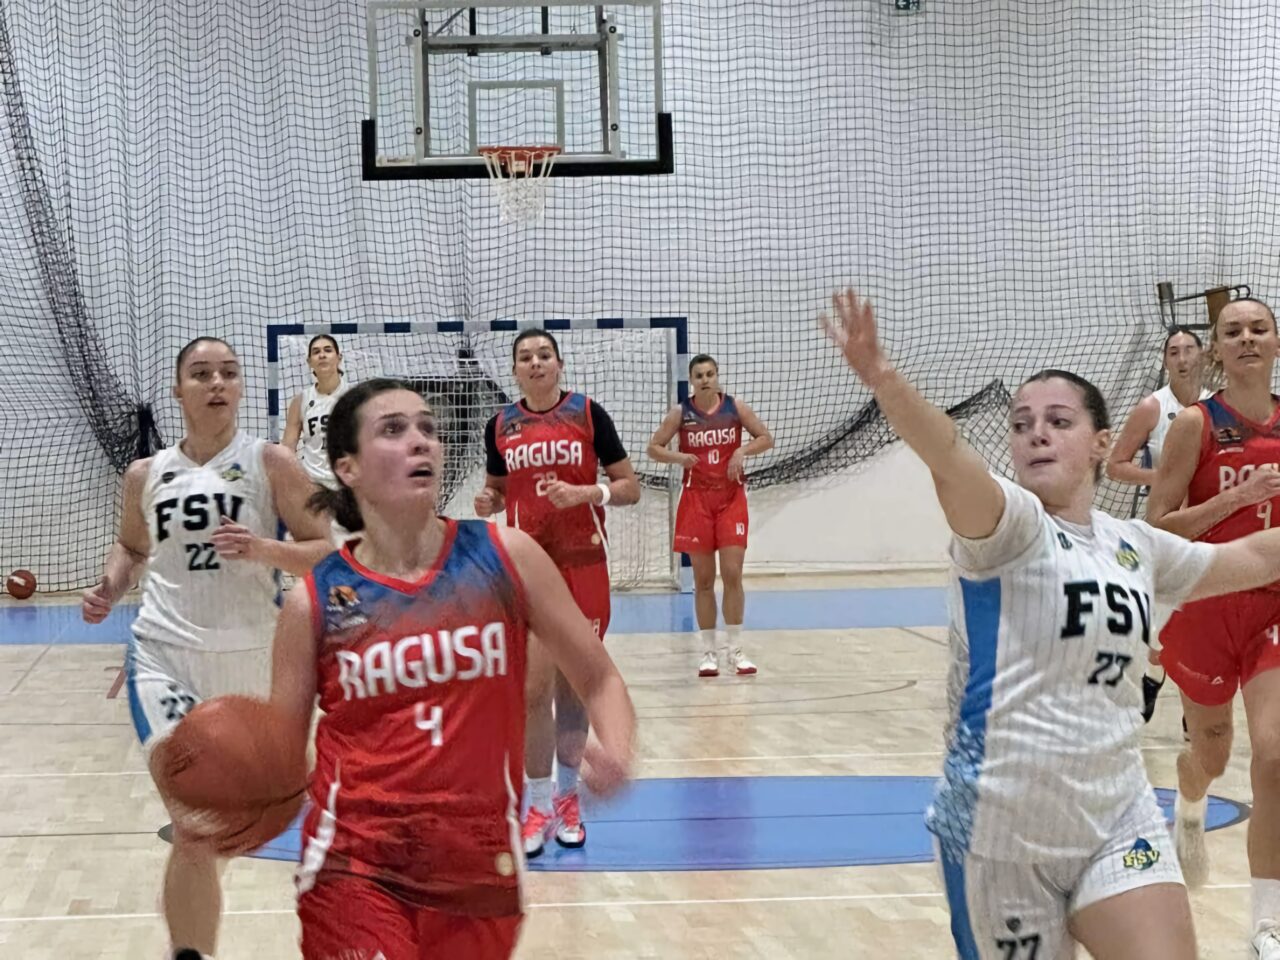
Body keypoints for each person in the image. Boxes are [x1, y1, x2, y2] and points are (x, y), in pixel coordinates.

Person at [823, 287, 1280, 960]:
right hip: (1000, 831)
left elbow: (1252, 557)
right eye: (1021, 423)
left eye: (1059, 421)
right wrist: (885, 380)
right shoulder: (1007, 526)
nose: (1036, 432)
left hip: (1117, 817)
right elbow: (947, 453)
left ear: (1101, 444)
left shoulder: (1134, 545)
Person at [266, 378, 636, 960]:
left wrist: (617, 747)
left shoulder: (506, 556)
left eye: (427, 428)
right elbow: (279, 758)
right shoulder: (312, 603)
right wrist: (230, 795)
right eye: (393, 429)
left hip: (478, 866)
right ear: (347, 467)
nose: (420, 441)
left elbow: (599, 676)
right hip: (356, 863)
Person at [80, 337, 333, 960]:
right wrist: (111, 584)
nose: (216, 382)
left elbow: (328, 551)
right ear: (178, 390)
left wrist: (264, 549)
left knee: (263, 814)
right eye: (200, 374)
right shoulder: (145, 474)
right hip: (164, 657)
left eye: (228, 372)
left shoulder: (271, 463)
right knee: (193, 825)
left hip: (254, 662)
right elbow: (132, 548)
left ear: (240, 387)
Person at [474, 328, 640, 858]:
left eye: (544, 354)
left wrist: (587, 492)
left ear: (559, 363)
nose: (535, 362)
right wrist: (488, 501)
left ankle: (568, 801)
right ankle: (538, 804)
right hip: (529, 570)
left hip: (583, 566)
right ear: (515, 370)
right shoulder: (500, 425)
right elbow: (498, 490)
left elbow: (630, 487)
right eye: (525, 357)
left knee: (573, 689)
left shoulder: (588, 414)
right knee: (532, 691)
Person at [1147, 297, 1280, 955]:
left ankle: (1266, 925)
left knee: (1275, 755)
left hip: (1272, 606)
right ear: (1217, 350)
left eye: (1259, 328)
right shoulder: (1195, 425)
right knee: (1213, 754)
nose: (1247, 338)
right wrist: (1236, 498)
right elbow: (1156, 527)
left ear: (1275, 342)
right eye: (1233, 331)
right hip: (1204, 604)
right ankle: (1191, 800)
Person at [646, 354, 773, 677]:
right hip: (696, 500)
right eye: (699, 375)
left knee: (732, 573)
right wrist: (679, 457)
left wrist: (742, 450)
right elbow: (653, 447)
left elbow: (765, 438)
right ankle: (708, 652)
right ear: (691, 380)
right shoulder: (681, 412)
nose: (705, 379)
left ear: (717, 376)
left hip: (730, 498)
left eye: (710, 374)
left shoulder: (735, 407)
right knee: (703, 580)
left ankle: (736, 649)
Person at [1106, 327, 1209, 723]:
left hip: (1210, 524)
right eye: (1173, 351)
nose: (1182, 358)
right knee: (1163, 626)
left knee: (1201, 619)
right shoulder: (1152, 407)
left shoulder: (1217, 406)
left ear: (1202, 355)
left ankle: (1195, 705)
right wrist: (1165, 478)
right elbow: (1116, 466)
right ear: (1165, 361)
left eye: (1188, 350)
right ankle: (1153, 674)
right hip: (1165, 528)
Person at [282, 334, 351, 490]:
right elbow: (287, 450)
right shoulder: (300, 401)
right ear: (309, 362)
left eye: (328, 350)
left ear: (339, 358)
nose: (322, 355)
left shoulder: (356, 397)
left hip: (347, 484)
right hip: (313, 484)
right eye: (316, 352)